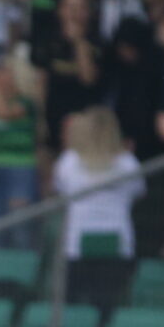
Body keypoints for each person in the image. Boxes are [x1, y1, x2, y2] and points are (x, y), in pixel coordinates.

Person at [55, 108, 140, 310]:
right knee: (104, 306)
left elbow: (61, 190)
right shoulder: (128, 164)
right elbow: (137, 192)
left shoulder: (68, 162)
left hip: (97, 241)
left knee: (80, 303)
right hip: (101, 240)